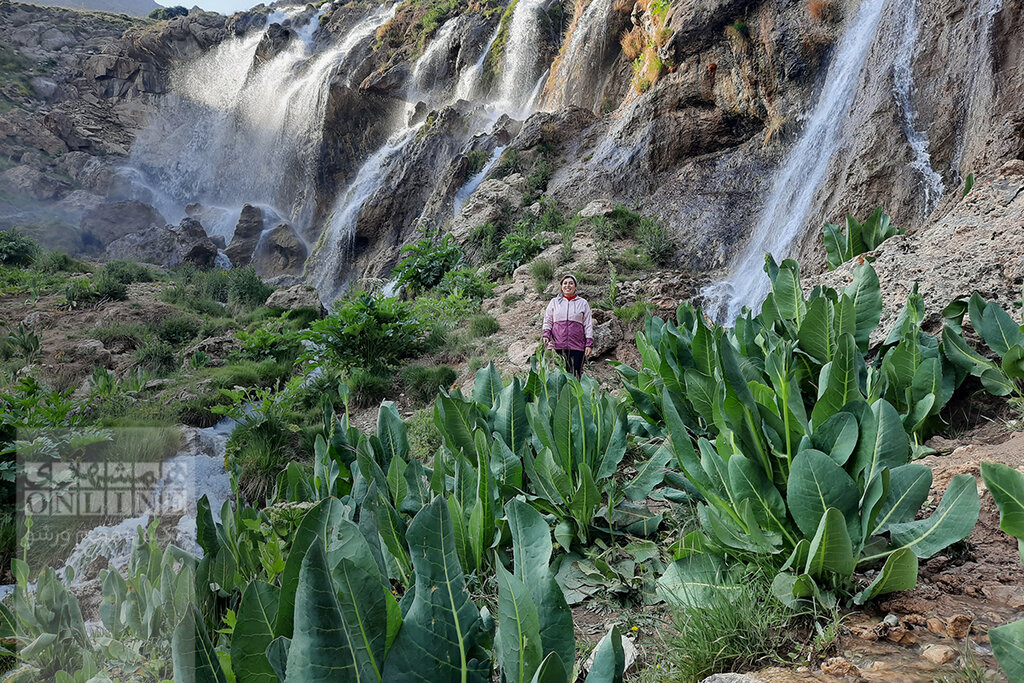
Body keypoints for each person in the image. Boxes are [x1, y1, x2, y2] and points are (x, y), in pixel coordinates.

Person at [542, 274, 594, 378]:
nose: (567, 286)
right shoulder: (554, 302)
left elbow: (588, 324)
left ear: (575, 287)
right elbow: (548, 320)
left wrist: (589, 344)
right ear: (561, 287)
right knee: (559, 376)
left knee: (575, 376)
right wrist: (546, 334)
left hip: (577, 346)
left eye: (571, 283)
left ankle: (574, 395)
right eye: (565, 283)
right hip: (558, 345)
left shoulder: (583, 303)